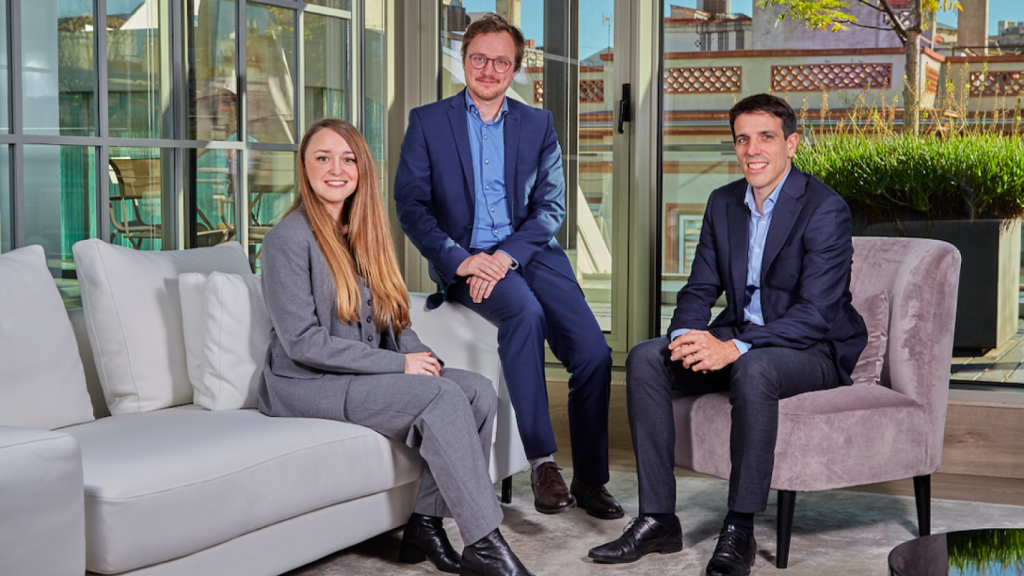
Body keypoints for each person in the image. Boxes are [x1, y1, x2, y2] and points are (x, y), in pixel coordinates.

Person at [588, 94, 867, 576]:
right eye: (742, 139)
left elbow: (817, 314)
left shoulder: (824, 208)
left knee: (754, 367)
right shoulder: (723, 203)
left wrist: (733, 347)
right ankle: (658, 519)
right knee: (646, 357)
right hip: (741, 335)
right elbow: (699, 288)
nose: (752, 150)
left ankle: (739, 527)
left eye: (766, 137)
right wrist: (686, 337)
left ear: (791, 143)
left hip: (811, 349)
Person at [258, 118, 534, 576]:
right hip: (307, 383)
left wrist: (423, 359)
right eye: (323, 158)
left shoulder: (364, 234)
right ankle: (485, 544)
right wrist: (399, 365)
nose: (336, 169)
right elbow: (303, 343)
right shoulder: (286, 239)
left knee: (477, 391)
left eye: (348, 159)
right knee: (441, 397)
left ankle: (425, 524)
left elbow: (396, 319)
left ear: (362, 170)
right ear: (304, 167)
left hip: (360, 374)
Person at [394, 13, 622, 520]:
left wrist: (505, 256)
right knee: (524, 313)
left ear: (516, 68)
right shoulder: (428, 121)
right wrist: (461, 261)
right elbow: (412, 206)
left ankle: (590, 480)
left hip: (530, 254)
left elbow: (551, 207)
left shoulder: (537, 124)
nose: (489, 70)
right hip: (466, 260)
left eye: (501, 62)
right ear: (464, 61)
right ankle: (543, 463)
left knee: (594, 354)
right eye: (480, 58)